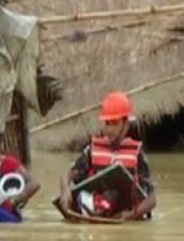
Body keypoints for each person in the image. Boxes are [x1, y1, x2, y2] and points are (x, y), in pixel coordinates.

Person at [57, 92, 157, 221]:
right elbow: (67, 175)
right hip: (95, 206)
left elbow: (152, 199)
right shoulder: (92, 150)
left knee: (114, 195)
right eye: (107, 123)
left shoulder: (136, 154)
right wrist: (65, 192)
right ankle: (95, 206)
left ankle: (101, 207)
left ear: (125, 124)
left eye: (114, 123)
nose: (109, 129)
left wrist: (131, 215)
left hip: (125, 215)